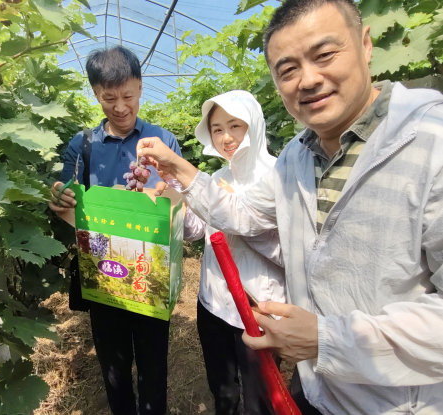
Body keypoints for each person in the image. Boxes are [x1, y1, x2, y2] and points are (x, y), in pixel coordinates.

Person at [134, 1, 443, 414]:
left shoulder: (431, 142)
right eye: (288, 69)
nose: (309, 79)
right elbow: (240, 215)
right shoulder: (297, 157)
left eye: (324, 54)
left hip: (395, 403)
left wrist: (326, 339)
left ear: (365, 44)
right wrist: (179, 173)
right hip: (315, 387)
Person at [49, 46, 182, 415]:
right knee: (113, 365)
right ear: (96, 94)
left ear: (140, 88)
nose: (120, 107)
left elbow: (181, 195)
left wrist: (166, 194)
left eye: (128, 96)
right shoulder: (83, 145)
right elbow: (67, 198)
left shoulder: (163, 141)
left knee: (154, 361)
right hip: (104, 272)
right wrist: (59, 199)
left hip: (150, 272)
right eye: (109, 98)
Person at [167, 90, 285, 415]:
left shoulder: (278, 176)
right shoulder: (217, 178)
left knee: (260, 397)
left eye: (235, 126)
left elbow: (285, 249)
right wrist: (175, 198)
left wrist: (230, 208)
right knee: (223, 391)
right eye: (217, 129)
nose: (226, 137)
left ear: (254, 124)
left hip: (258, 307)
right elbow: (196, 230)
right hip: (213, 303)